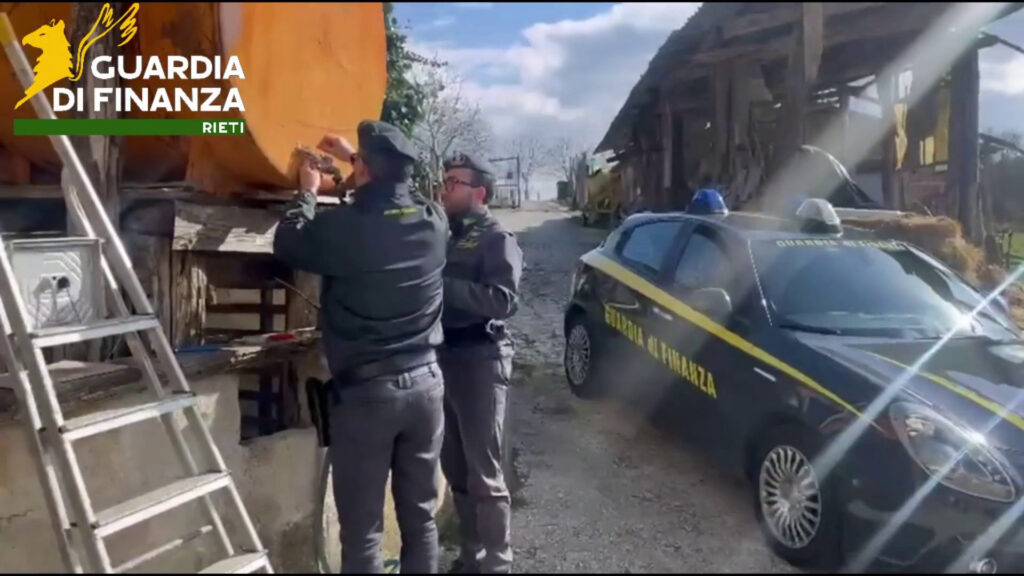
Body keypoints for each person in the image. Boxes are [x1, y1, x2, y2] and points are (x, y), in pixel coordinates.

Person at [273, 120, 449, 574]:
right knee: (421, 520)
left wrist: (307, 192)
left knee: (364, 533)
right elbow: (394, 198)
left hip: (370, 397)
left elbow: (288, 242)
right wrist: (359, 158)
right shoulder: (434, 220)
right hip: (427, 388)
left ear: (366, 170)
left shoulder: (345, 227)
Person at [438, 152, 524, 574]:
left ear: (480, 193)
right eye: (445, 181)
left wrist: (441, 287)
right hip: (445, 357)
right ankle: (470, 556)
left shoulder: (496, 238)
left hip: (480, 359)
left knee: (484, 472)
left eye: (454, 182)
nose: (445, 188)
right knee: (455, 468)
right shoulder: (446, 235)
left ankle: (497, 562)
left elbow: (503, 301)